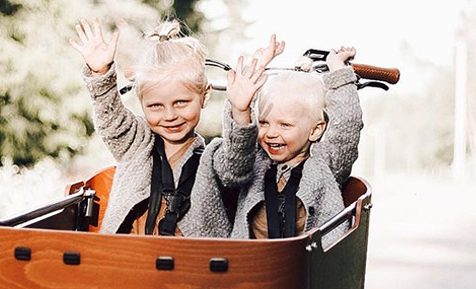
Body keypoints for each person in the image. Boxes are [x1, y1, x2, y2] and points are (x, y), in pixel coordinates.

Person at [69, 18, 270, 237]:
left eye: (181, 103)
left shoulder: (213, 158)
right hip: (127, 260)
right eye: (155, 106)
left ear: (205, 95)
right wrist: (100, 74)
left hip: (193, 265)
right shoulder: (135, 144)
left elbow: (237, 169)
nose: (170, 116)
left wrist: (240, 111)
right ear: (142, 104)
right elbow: (111, 122)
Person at [228, 46, 363, 240]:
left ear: (315, 130)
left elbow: (346, 128)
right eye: (264, 123)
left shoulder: (324, 165)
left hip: (307, 266)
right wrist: (240, 107)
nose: (271, 133)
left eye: (285, 125)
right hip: (253, 265)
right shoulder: (252, 163)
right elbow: (237, 146)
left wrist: (339, 72)